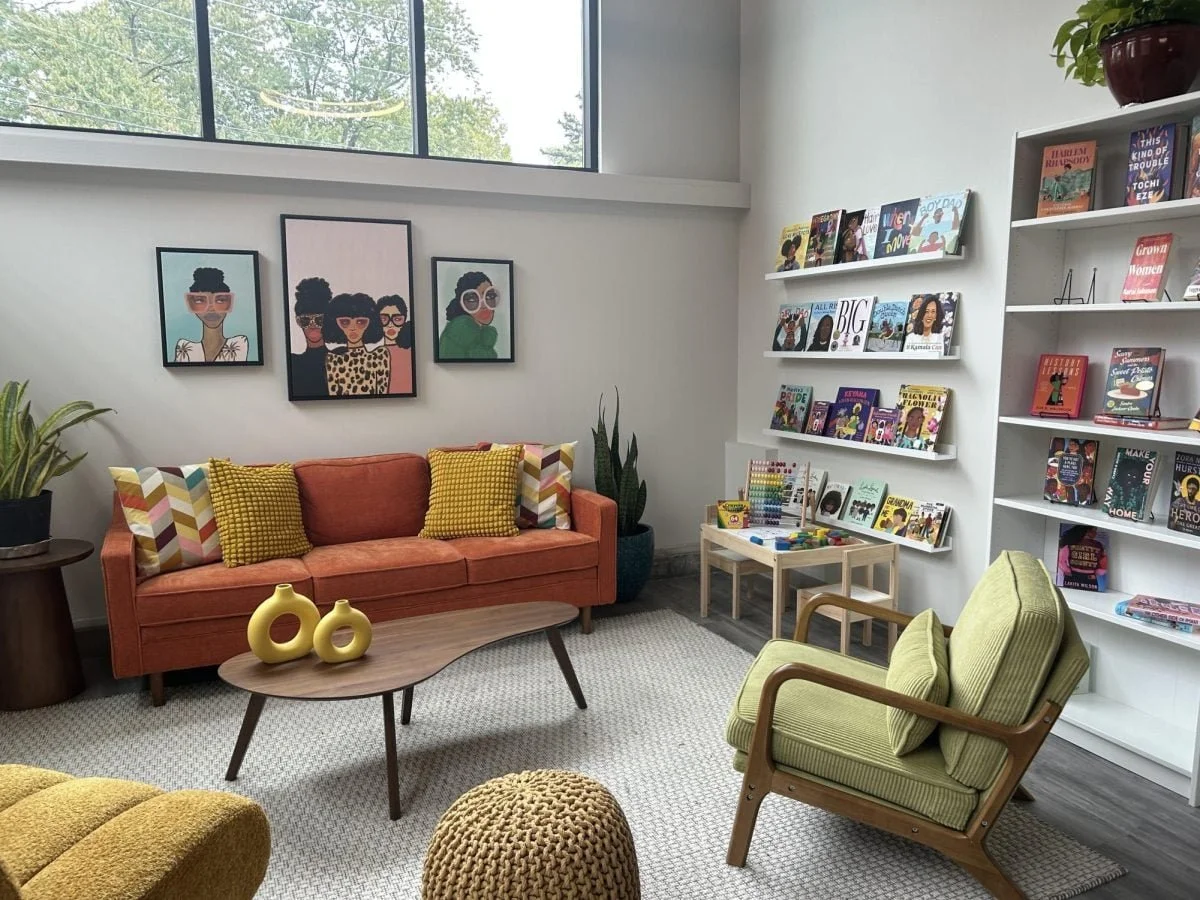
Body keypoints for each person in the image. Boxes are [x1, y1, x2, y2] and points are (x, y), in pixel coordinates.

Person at [174, 267, 249, 363]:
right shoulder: (185, 348)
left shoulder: (239, 343)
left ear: (229, 302)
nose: (211, 308)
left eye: (220, 300)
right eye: (200, 300)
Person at [324, 292, 390, 395]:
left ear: (371, 322)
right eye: (345, 322)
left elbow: (383, 394)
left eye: (360, 322)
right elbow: (334, 396)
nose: (353, 328)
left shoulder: (379, 356)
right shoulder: (333, 359)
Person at [439, 272, 502, 360]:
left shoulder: (484, 337)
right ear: (461, 303)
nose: (483, 305)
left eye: (489, 296)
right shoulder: (455, 336)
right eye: (472, 299)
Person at [289, 277, 331, 398]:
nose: (313, 326)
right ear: (298, 322)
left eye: (319, 320)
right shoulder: (293, 362)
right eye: (305, 320)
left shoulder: (340, 359)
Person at [376, 294, 413, 395]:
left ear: (404, 319)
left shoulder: (411, 353)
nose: (390, 324)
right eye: (384, 319)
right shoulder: (374, 355)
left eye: (397, 319)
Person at [1057, 524, 1108, 590]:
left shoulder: (1071, 542)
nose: (1096, 533)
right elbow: (1103, 564)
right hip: (1089, 578)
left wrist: (1068, 571)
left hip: (1073, 576)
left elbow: (1061, 560)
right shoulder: (1098, 545)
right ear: (1087, 531)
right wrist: (1096, 572)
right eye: (1094, 531)